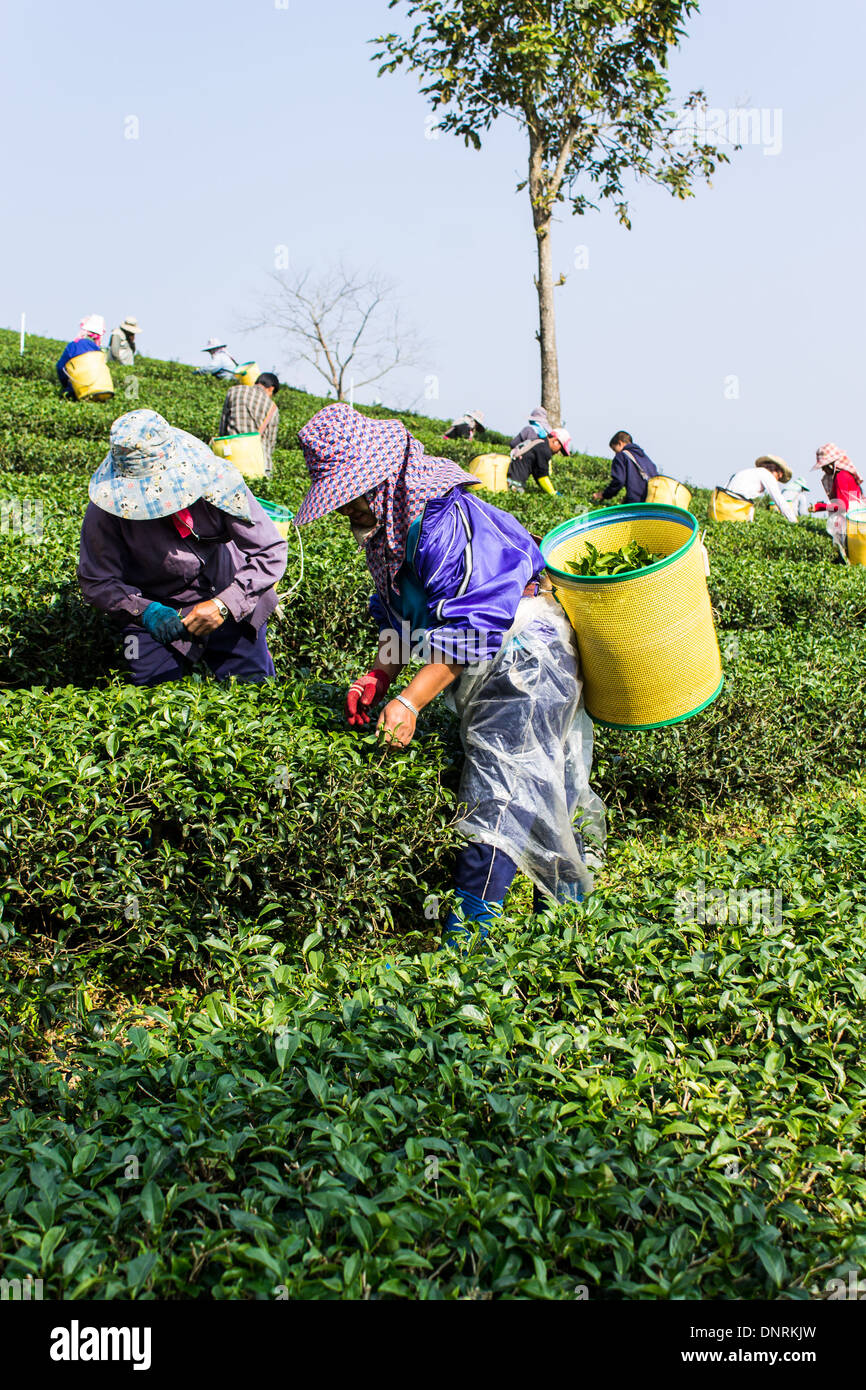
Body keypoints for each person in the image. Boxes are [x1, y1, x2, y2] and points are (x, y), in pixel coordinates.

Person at [294, 403, 605, 951]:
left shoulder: (444, 523)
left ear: (383, 484)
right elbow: (404, 616)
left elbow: (474, 623)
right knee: (526, 783)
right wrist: (381, 676)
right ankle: (560, 923)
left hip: (528, 661)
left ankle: (472, 940)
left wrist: (412, 703)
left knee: (502, 787)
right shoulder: (393, 535)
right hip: (493, 663)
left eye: (352, 497)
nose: (347, 511)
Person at [78, 410, 288, 686]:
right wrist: (145, 611)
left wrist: (225, 604)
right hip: (158, 612)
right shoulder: (107, 509)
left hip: (231, 593)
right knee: (148, 702)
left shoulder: (218, 481)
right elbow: (97, 580)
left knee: (254, 689)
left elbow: (270, 550)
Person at [218, 372, 281, 476]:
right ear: (271, 389)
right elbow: (270, 442)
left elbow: (223, 425)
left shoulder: (234, 391)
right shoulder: (272, 408)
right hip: (259, 463)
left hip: (233, 457)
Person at [724, 455, 799, 523]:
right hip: (735, 507)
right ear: (778, 472)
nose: (776, 480)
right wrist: (794, 521)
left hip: (723, 504)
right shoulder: (767, 475)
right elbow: (779, 501)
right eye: (778, 477)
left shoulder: (748, 472)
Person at [508, 418, 572, 496]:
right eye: (560, 449)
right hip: (514, 483)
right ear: (555, 441)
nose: (558, 452)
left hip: (510, 478)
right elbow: (542, 477)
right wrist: (553, 493)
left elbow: (537, 474)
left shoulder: (539, 442)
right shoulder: (544, 450)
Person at [592, 431, 658, 505]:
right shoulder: (646, 459)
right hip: (652, 502)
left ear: (620, 443)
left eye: (614, 449)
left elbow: (619, 481)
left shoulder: (621, 456)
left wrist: (604, 495)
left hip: (636, 504)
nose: (615, 453)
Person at [56, 315, 106, 398]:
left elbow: (60, 367)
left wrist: (66, 384)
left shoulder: (73, 346)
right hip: (99, 392)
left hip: (76, 391)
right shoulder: (99, 351)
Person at [811, 444, 863, 513]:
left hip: (848, 519)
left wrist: (820, 507)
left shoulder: (840, 477)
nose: (823, 470)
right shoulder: (847, 475)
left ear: (831, 465)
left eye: (824, 467)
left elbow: (843, 507)